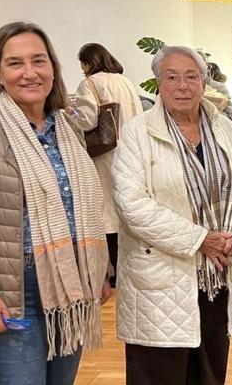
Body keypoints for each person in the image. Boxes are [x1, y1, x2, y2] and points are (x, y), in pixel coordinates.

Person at [0, 22, 110, 384]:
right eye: (15, 63)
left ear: (53, 67)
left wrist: (98, 271)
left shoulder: (66, 127)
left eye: (39, 60)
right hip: (12, 288)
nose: (30, 72)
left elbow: (82, 207)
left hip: (71, 281)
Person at [112, 45, 232, 385]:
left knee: (209, 373)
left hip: (218, 275)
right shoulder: (137, 132)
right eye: (172, 77)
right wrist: (200, 240)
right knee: (158, 375)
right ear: (159, 83)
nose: (182, 85)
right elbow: (131, 204)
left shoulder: (224, 128)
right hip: (160, 282)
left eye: (191, 77)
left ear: (204, 82)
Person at [71, 43, 143, 287]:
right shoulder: (126, 82)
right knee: (127, 209)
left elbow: (87, 120)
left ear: (89, 62)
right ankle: (130, 267)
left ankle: (112, 272)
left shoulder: (90, 84)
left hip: (105, 154)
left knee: (107, 214)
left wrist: (68, 113)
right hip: (131, 151)